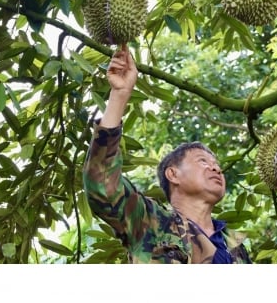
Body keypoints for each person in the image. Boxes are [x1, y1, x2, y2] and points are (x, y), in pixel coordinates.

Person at [82, 45, 252, 264]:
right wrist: (119, 95)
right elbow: (102, 186)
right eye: (203, 161)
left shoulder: (237, 249)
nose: (216, 168)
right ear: (173, 174)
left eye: (216, 164)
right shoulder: (151, 222)